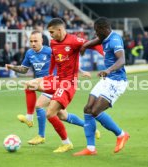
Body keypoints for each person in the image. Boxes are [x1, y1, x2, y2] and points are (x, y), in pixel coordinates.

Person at [9, 18, 102, 153]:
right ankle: (30, 118)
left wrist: (105, 54)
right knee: (32, 88)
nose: (50, 35)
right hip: (56, 79)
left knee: (49, 112)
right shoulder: (52, 43)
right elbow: (54, 58)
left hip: (67, 83)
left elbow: (92, 44)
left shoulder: (74, 40)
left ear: (59, 30)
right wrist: (50, 75)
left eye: (52, 32)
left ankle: (63, 142)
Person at [73, 17, 130, 156]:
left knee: (95, 111)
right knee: (87, 109)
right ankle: (91, 149)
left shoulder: (115, 40)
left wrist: (108, 70)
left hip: (117, 81)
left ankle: (121, 134)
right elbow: (98, 41)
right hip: (107, 79)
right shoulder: (105, 37)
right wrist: (85, 45)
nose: (96, 34)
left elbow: (122, 60)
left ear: (104, 29)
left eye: (97, 31)